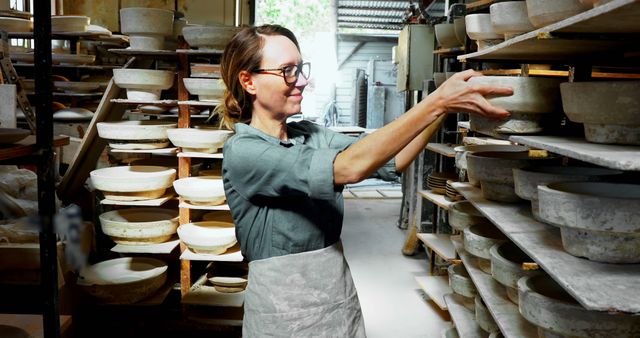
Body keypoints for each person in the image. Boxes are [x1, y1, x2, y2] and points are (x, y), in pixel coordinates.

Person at [218, 24, 512, 337]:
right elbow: (348, 168)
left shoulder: (311, 135)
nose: (301, 80)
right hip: (281, 311)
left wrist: (445, 107)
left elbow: (393, 161)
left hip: (336, 295)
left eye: (301, 68)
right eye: (288, 71)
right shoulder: (244, 151)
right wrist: (436, 101)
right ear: (248, 81)